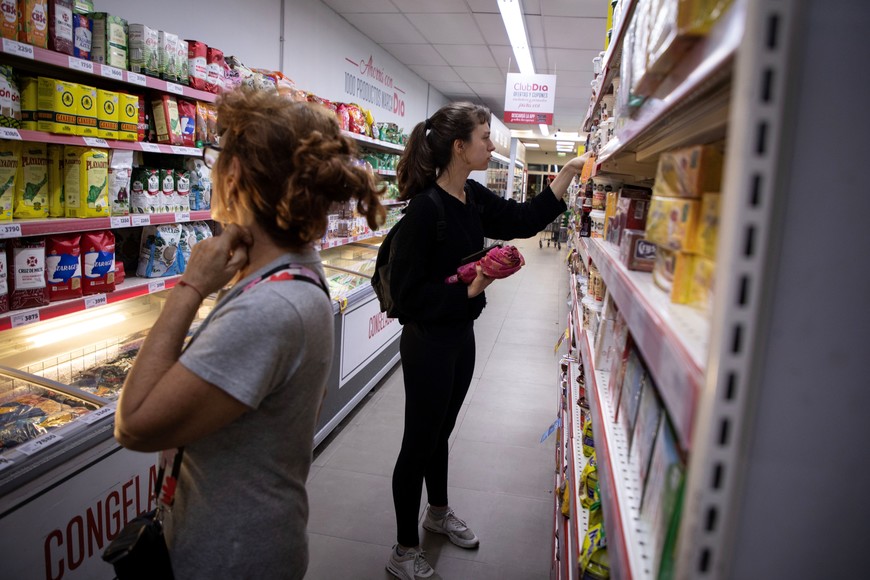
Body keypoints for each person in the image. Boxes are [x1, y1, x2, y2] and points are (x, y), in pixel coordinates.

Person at [114, 88, 384, 579]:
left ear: (234, 173)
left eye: (216, 155)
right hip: (259, 539)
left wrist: (191, 286)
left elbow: (133, 424)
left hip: (229, 557)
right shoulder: (297, 272)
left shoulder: (271, 307)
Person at [386, 101, 590, 580]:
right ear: (460, 147)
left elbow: (523, 220)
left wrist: (568, 172)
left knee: (441, 432)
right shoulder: (424, 210)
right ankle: (403, 549)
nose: (492, 145)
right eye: (484, 137)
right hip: (427, 343)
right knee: (418, 442)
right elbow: (408, 298)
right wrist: (471, 287)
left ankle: (437, 513)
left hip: (461, 336)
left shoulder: (472, 196)